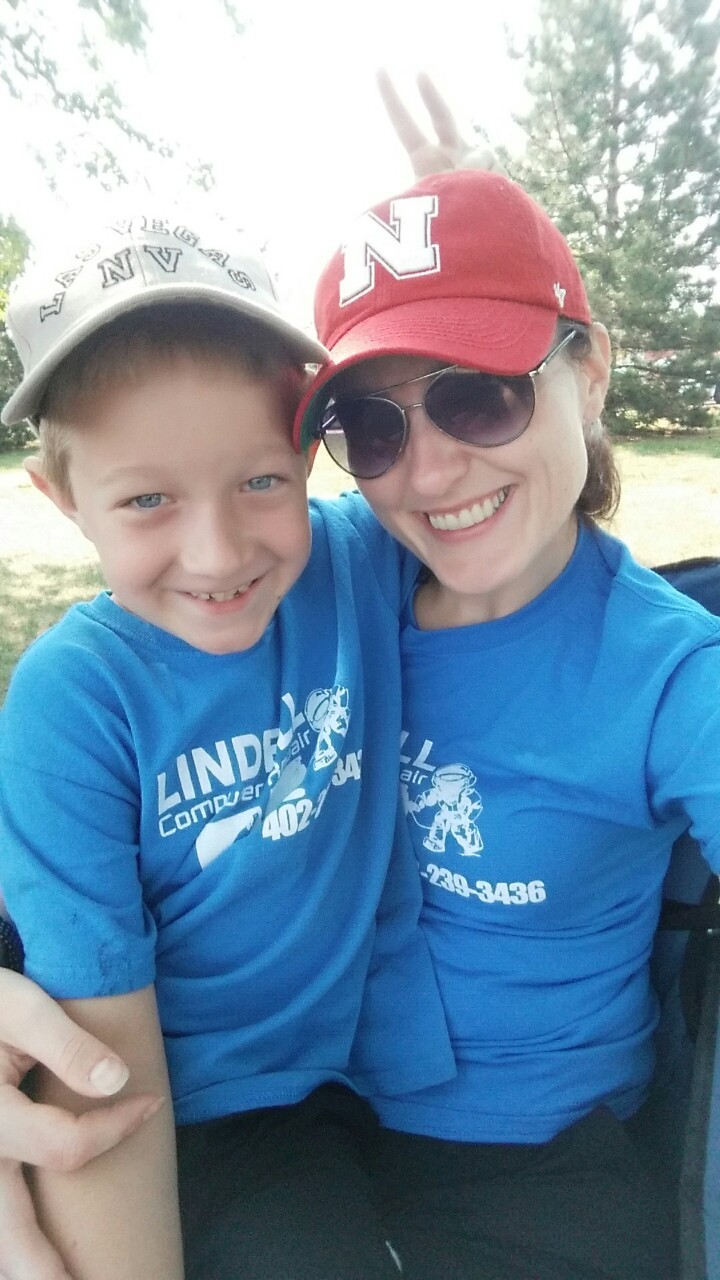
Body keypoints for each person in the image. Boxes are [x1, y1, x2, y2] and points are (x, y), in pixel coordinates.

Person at [0, 210, 456, 1280]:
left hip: (359, 1089)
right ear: (63, 499)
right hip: (204, 1111)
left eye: (261, 481)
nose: (217, 553)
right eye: (147, 499)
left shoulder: (356, 565)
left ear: (307, 456)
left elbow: (496, 499)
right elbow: (99, 1066)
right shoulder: (76, 701)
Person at [288, 165, 720, 1279]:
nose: (430, 471)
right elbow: (122, 672)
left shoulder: (670, 674)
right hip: (302, 1116)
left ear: (592, 372)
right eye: (372, 426)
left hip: (540, 1174)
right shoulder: (339, 573)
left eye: (480, 393)